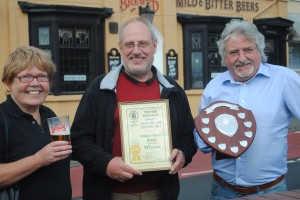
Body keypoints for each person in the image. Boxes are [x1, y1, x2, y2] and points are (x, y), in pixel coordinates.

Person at [71, 16, 197, 200]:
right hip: (111, 193)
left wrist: (183, 152)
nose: (136, 51)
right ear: (120, 47)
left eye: (143, 44)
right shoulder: (99, 89)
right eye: (129, 44)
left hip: (160, 193)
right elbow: (79, 140)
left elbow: (188, 136)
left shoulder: (174, 90)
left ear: (154, 46)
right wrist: (106, 163)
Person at [194, 19, 300, 199]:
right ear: (225, 57)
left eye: (248, 50)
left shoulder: (284, 79)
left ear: (260, 51)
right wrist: (206, 139)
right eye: (234, 52)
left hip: (270, 191)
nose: (242, 58)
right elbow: (201, 130)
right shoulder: (214, 86)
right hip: (222, 190)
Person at [0, 46, 72, 200]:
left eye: (42, 77)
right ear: (9, 83)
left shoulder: (49, 114)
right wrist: (38, 159)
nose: (35, 83)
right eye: (25, 77)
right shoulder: (2, 118)